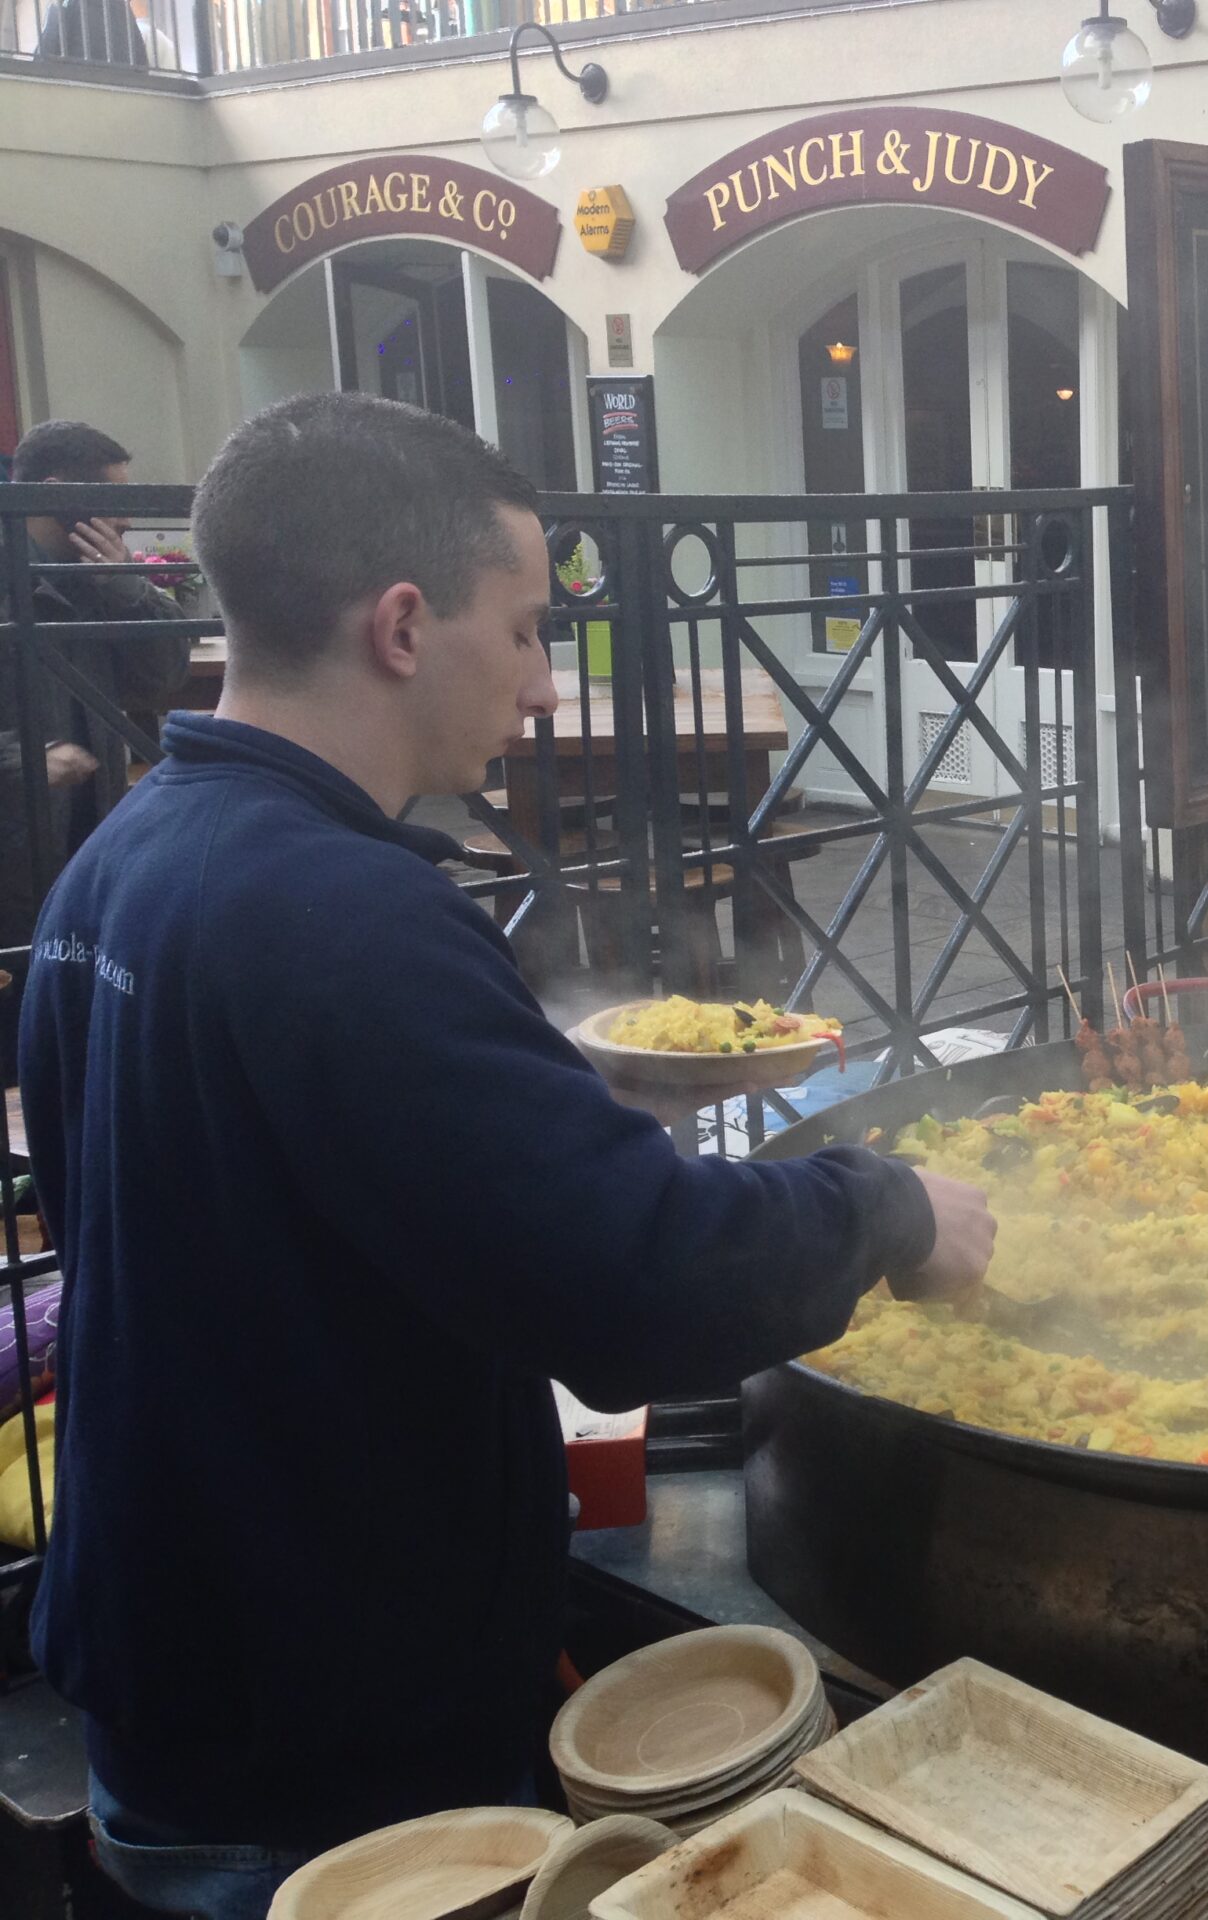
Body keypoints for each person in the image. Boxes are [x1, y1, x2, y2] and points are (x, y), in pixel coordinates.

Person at [19, 392, 998, 1919]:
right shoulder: (347, 916)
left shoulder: (124, 860)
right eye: (530, 630)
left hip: (169, 1666)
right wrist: (887, 1208)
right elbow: (634, 1299)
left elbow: (259, 1199)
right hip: (325, 1746)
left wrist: (564, 1126)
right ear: (404, 625)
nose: (544, 687)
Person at [0, 421, 191, 1073]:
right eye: (111, 494)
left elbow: (162, 679)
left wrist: (125, 585)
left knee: (83, 1034)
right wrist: (20, 761)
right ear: (58, 489)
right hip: (12, 854)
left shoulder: (94, 573)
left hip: (93, 832)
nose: (124, 511)